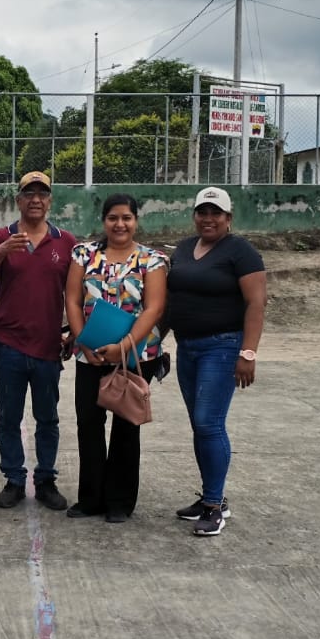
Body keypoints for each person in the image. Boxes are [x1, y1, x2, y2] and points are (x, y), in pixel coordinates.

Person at [167, 186, 267, 537]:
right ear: (195, 215)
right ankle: (211, 496)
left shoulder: (241, 252)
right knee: (199, 424)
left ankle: (214, 506)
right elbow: (171, 299)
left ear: (228, 218)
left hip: (222, 347)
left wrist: (248, 352)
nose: (208, 219)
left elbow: (256, 303)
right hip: (187, 347)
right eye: (202, 212)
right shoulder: (183, 249)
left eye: (216, 213)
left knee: (209, 423)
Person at [64, 193, 168, 524]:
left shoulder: (152, 260)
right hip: (90, 354)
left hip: (135, 355)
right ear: (104, 221)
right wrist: (83, 340)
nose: (120, 224)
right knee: (88, 425)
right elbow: (72, 298)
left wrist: (123, 346)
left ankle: (119, 501)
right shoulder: (83, 254)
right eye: (113, 218)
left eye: (126, 218)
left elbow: (154, 308)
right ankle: (91, 498)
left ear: (136, 221)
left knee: (126, 427)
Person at [0, 171, 77, 511]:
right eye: (29, 194)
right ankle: (14, 479)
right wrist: (4, 250)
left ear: (50, 200)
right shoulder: (1, 236)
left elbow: (77, 291)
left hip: (48, 346)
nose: (36, 199)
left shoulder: (66, 242)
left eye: (42, 194)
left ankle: (46, 479)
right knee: (9, 416)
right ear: (18, 200)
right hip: (8, 344)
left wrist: (75, 331)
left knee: (47, 418)